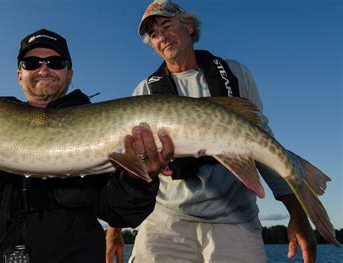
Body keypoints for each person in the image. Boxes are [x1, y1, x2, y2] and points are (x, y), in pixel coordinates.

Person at [0, 28, 174, 262]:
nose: (44, 69)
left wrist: (142, 176)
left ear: (69, 74)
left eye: (56, 62)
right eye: (31, 63)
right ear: (19, 75)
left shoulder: (106, 130)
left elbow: (122, 212)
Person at [106, 1, 317, 262]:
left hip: (235, 221)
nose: (161, 37)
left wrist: (297, 211)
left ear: (189, 26)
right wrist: (114, 229)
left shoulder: (236, 74)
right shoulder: (144, 91)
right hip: (165, 222)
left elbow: (262, 140)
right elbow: (126, 160)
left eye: (166, 25)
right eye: (154, 34)